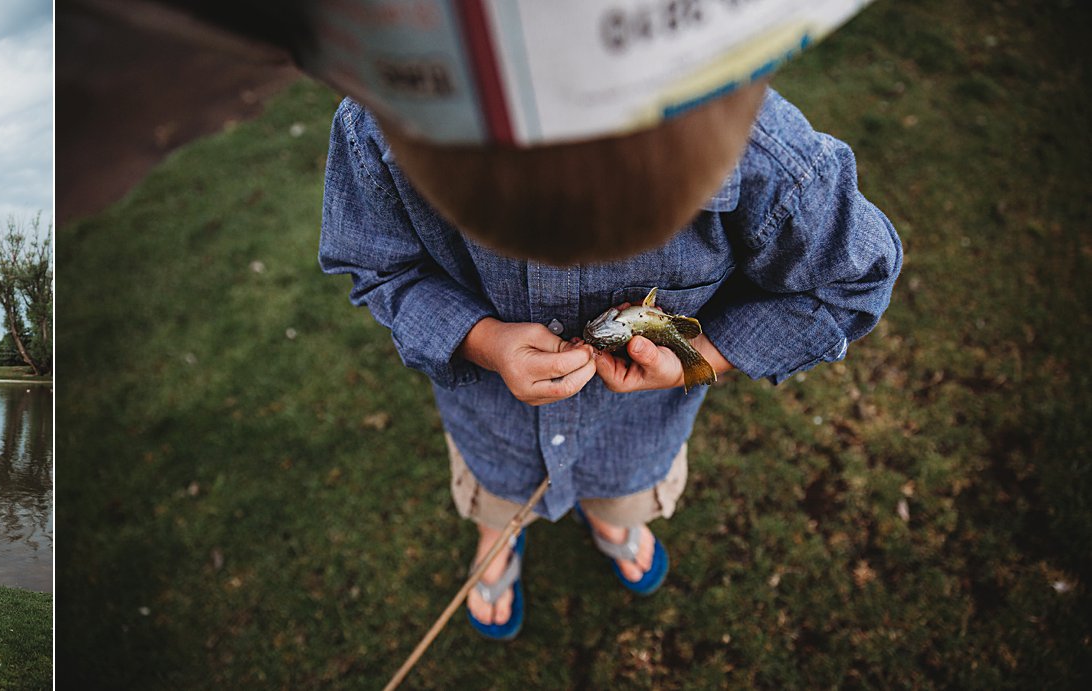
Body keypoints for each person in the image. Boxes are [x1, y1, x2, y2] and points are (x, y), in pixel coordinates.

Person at [319, 85, 903, 639]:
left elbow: (855, 279)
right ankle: (496, 535)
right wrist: (481, 340)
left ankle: (612, 520)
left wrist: (697, 358)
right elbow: (380, 267)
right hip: (492, 427)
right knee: (496, 496)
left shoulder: (765, 151)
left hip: (635, 436)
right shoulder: (380, 123)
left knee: (620, 495)